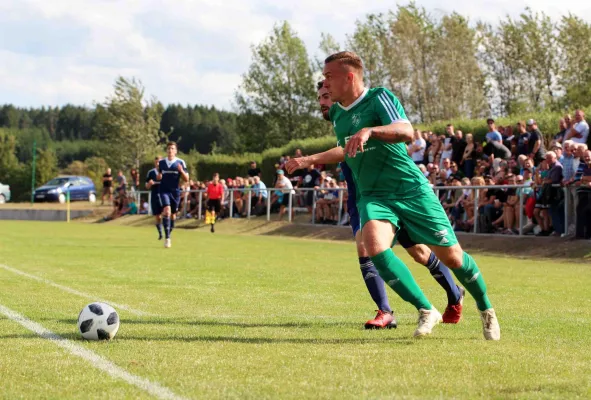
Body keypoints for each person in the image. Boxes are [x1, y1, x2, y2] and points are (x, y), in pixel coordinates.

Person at [289, 52, 499, 339]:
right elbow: (346, 149)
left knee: (451, 257)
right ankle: (426, 309)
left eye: (329, 76)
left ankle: (485, 308)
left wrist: (370, 131)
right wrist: (308, 160)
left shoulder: (379, 97)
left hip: (410, 190)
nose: (324, 83)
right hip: (374, 195)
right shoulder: (338, 113)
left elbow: (406, 131)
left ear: (349, 77)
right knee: (374, 246)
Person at [317, 81, 464, 328]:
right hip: (361, 197)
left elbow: (353, 148)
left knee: (418, 252)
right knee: (365, 247)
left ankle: (453, 293)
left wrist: (309, 159)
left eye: (326, 96)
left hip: (390, 193)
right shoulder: (338, 121)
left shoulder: (364, 110)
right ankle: (385, 311)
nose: (322, 102)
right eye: (319, 97)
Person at [157, 142, 189, 248]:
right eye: (168, 148)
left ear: (175, 151)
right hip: (164, 190)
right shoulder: (161, 163)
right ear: (166, 151)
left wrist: (181, 171)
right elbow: (159, 174)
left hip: (175, 192)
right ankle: (167, 239)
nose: (170, 150)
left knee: (173, 215)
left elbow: (186, 179)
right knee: (167, 211)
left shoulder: (180, 162)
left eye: (172, 148)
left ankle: (168, 232)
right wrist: (159, 176)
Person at [145, 157, 163, 240]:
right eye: (156, 162)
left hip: (164, 194)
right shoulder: (151, 172)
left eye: (159, 162)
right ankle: (160, 233)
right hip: (155, 195)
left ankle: (167, 232)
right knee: (158, 216)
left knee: (167, 213)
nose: (158, 164)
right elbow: (146, 186)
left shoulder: (165, 171)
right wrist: (149, 183)